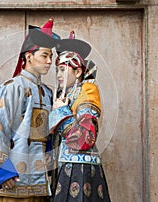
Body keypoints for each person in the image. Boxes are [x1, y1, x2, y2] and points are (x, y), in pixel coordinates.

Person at [0, 18, 60, 202]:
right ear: (28, 56)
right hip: (13, 177)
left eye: (51, 56)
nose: (49, 61)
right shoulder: (12, 87)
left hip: (40, 180)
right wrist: (0, 169)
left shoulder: (47, 93)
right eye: (44, 55)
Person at [49, 32, 111, 202]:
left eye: (63, 69)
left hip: (80, 167)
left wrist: (61, 113)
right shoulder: (68, 94)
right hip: (64, 164)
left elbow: (85, 138)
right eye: (57, 70)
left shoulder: (87, 91)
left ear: (78, 72)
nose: (59, 75)